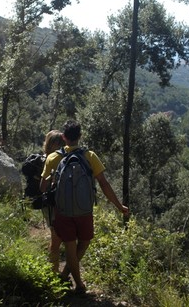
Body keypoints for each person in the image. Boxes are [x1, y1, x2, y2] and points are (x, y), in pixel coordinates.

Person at [40, 120, 129, 294]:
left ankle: (67, 277)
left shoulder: (52, 158)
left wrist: (53, 183)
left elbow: (42, 188)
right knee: (85, 241)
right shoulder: (90, 156)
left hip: (63, 211)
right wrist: (119, 206)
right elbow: (104, 184)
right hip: (84, 210)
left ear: (64, 137)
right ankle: (78, 284)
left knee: (70, 247)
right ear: (80, 137)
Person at [40, 130, 65, 274]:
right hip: (51, 205)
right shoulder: (49, 160)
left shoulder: (57, 158)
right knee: (56, 239)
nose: (61, 146)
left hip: (53, 205)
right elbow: (43, 187)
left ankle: (55, 271)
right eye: (58, 143)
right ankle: (53, 273)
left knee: (58, 238)